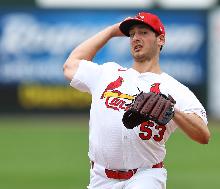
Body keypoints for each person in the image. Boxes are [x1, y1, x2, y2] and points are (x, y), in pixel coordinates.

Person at [63, 11, 210, 189]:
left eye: (143, 32)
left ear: (160, 39)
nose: (135, 38)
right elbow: (70, 66)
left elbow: (203, 134)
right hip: (100, 178)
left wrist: (173, 111)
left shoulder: (175, 89)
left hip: (145, 175)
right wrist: (111, 31)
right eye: (132, 34)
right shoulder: (108, 73)